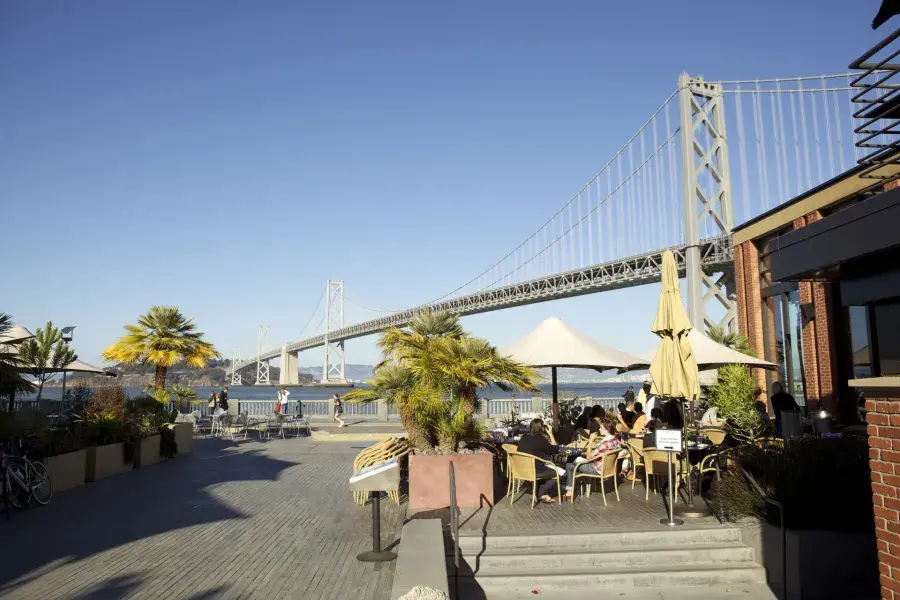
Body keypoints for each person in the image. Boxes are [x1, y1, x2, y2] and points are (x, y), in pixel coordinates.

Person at [562, 420, 622, 500]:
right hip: (608, 469)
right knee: (571, 465)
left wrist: (590, 440)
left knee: (569, 463)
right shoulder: (615, 440)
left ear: (607, 430)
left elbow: (588, 457)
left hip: (596, 469)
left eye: (601, 428)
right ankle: (574, 486)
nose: (599, 429)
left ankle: (570, 489)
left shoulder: (604, 444)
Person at [516, 418, 560, 504]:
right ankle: (542, 493)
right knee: (557, 473)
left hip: (521, 470)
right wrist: (550, 434)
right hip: (535, 470)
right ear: (541, 428)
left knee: (541, 465)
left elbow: (519, 450)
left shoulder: (524, 437)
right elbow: (555, 449)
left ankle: (538, 493)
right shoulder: (541, 439)